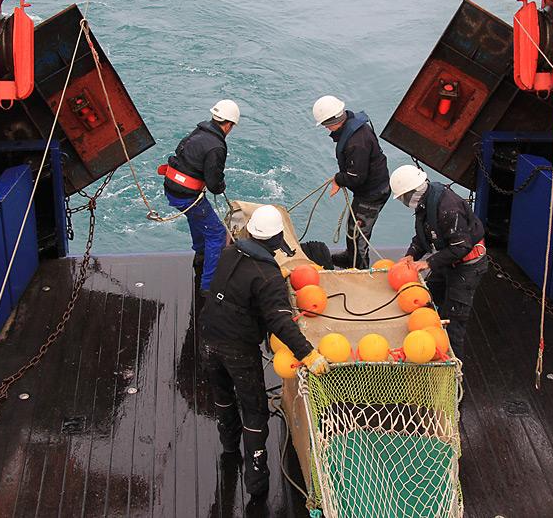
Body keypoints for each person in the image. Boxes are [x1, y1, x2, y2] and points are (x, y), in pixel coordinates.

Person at [200, 205, 330, 496]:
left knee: (223, 398)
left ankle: (229, 449)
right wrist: (308, 353)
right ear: (275, 241)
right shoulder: (267, 276)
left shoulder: (230, 252)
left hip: (208, 336)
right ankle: (256, 485)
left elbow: (238, 282)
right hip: (238, 349)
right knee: (254, 410)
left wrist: (271, 276)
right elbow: (280, 322)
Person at [389, 164, 487, 351]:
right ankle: (424, 345)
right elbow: (423, 234)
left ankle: (453, 372)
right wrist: (411, 254)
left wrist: (428, 262)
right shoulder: (427, 202)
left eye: (404, 197)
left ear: (413, 192)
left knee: (453, 322)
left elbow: (461, 247)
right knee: (428, 300)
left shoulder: (448, 208)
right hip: (446, 261)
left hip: (467, 267)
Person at [160, 99, 240, 291]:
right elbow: (213, 184)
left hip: (173, 189)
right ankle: (209, 285)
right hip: (187, 196)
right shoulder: (217, 146)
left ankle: (201, 255)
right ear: (229, 124)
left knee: (197, 219)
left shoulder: (199, 132)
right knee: (217, 233)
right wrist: (221, 186)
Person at [313, 95, 390, 269]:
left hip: (373, 194)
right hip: (372, 187)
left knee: (358, 236)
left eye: (326, 125)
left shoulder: (356, 143)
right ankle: (349, 256)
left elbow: (356, 178)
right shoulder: (355, 128)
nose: (327, 129)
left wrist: (339, 179)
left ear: (333, 121)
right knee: (352, 228)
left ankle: (359, 270)